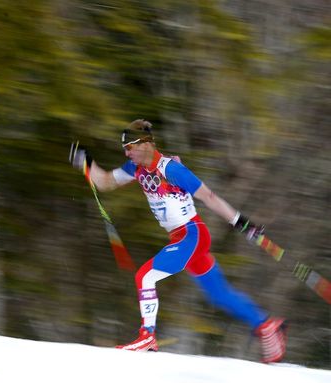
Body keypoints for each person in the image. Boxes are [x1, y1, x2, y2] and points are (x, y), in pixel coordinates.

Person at [69, 119, 287, 363]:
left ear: (146, 145)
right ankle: (267, 326)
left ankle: (146, 337)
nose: (126, 152)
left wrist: (241, 223)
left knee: (145, 276)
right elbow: (106, 181)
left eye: (130, 147)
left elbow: (209, 196)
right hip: (182, 238)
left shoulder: (171, 169)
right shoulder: (136, 168)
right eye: (125, 148)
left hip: (191, 235)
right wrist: (86, 163)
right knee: (219, 294)